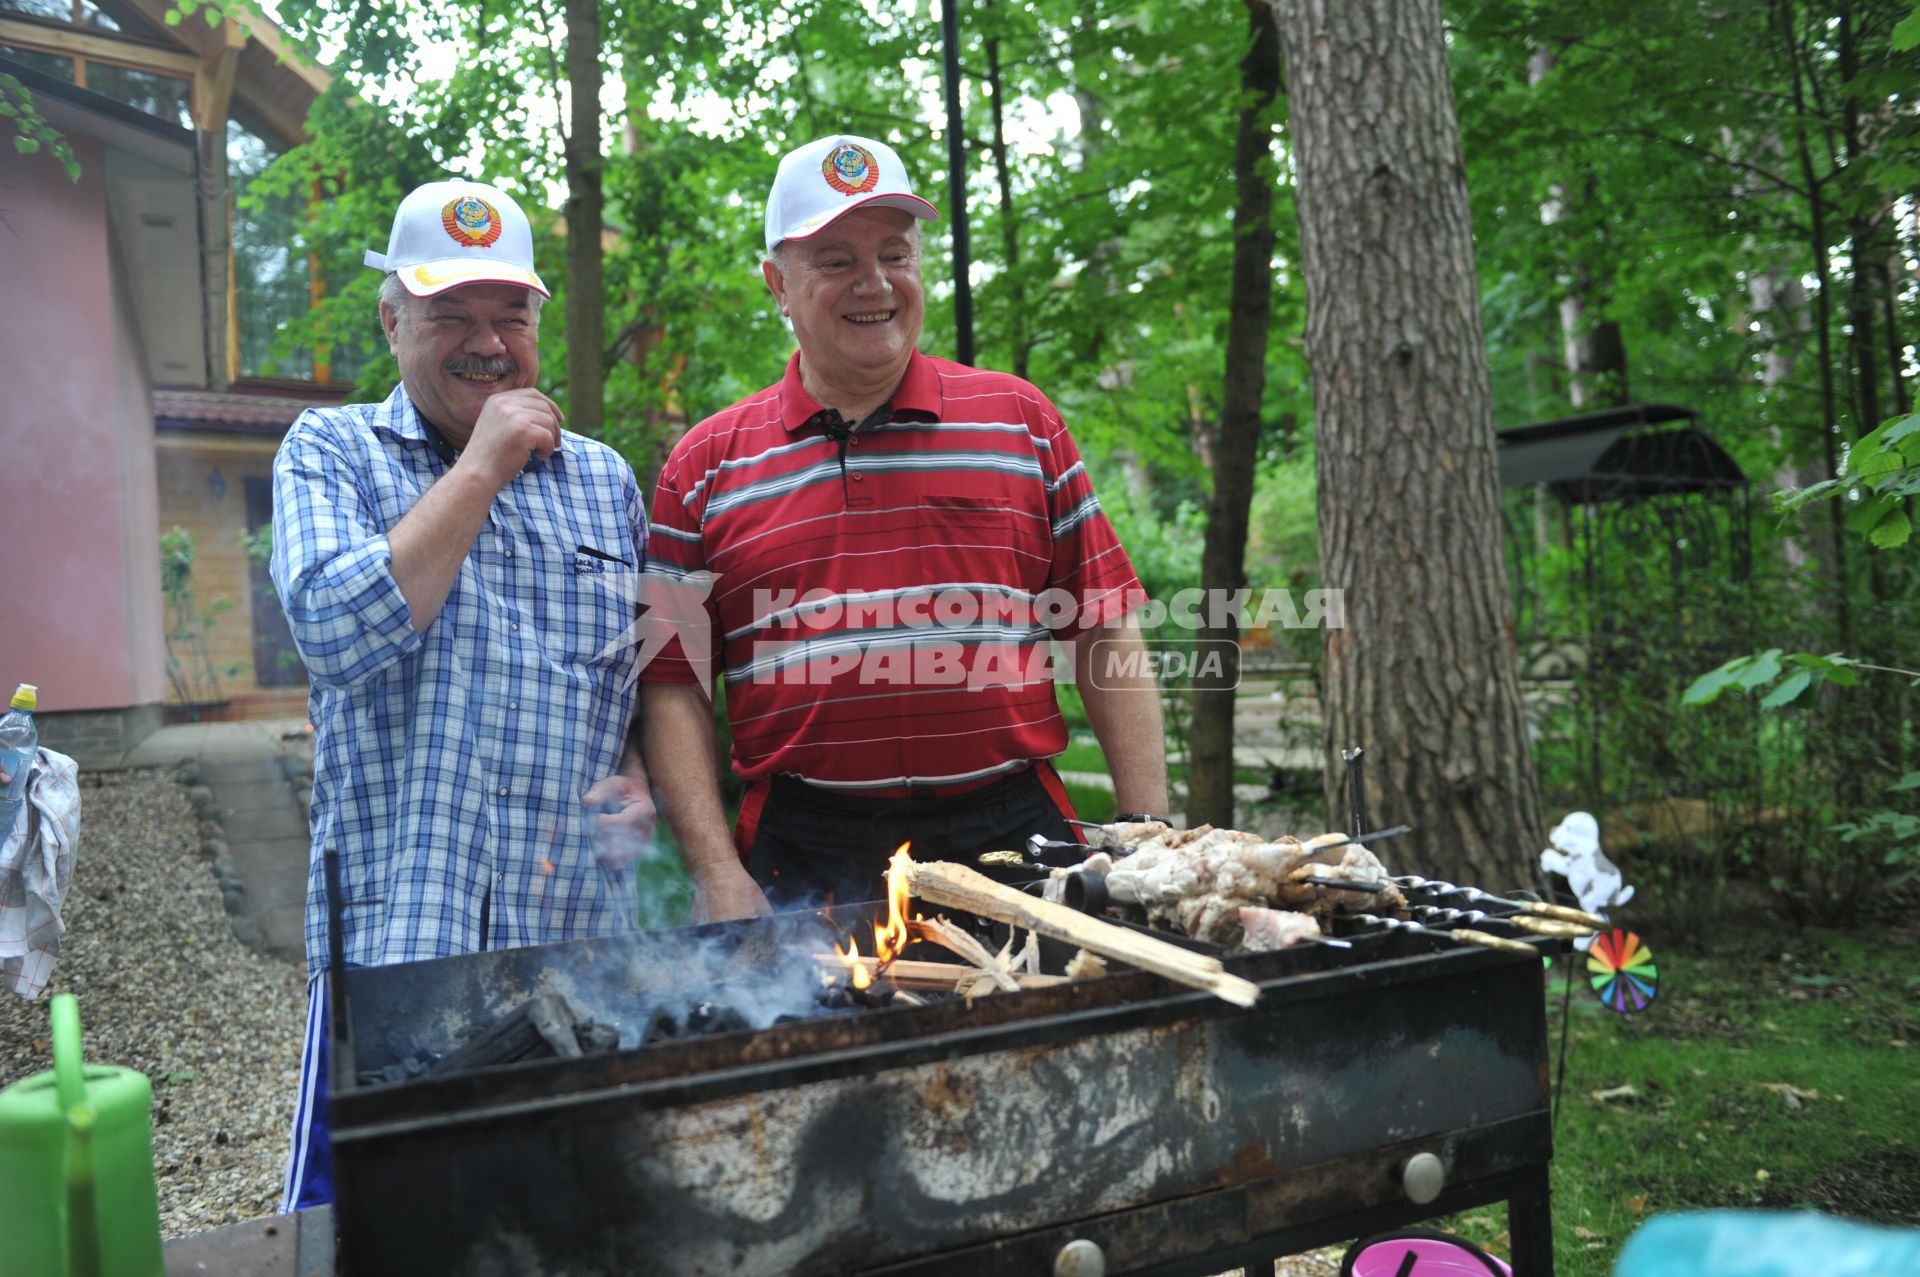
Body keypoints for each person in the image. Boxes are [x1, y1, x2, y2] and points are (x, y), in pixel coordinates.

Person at [640, 135, 1167, 922]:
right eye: (837, 260)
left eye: (895, 253)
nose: (874, 283)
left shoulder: (1021, 421)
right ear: (778, 284)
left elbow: (1103, 625)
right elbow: (673, 679)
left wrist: (1142, 829)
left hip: (1012, 833)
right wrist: (715, 870)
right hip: (802, 851)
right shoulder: (701, 464)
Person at [269, 179, 653, 1210]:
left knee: (574, 1223)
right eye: (450, 315)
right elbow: (336, 631)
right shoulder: (329, 451)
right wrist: (483, 460)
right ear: (392, 320)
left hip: (576, 951)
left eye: (509, 317)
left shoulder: (603, 480)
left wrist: (638, 773)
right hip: (403, 957)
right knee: (376, 1228)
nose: (486, 342)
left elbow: (628, 675)